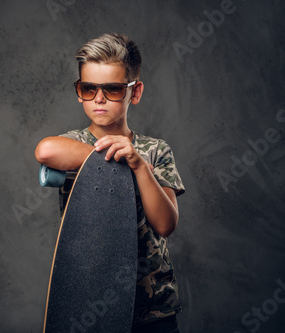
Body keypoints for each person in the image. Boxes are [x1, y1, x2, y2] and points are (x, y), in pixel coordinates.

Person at [35, 32, 185, 333]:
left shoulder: (155, 150)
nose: (99, 98)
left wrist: (139, 165)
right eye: (88, 88)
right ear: (79, 91)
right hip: (90, 301)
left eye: (113, 89)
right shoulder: (73, 143)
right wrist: (114, 156)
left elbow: (166, 224)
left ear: (135, 91)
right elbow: (45, 150)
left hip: (154, 307)